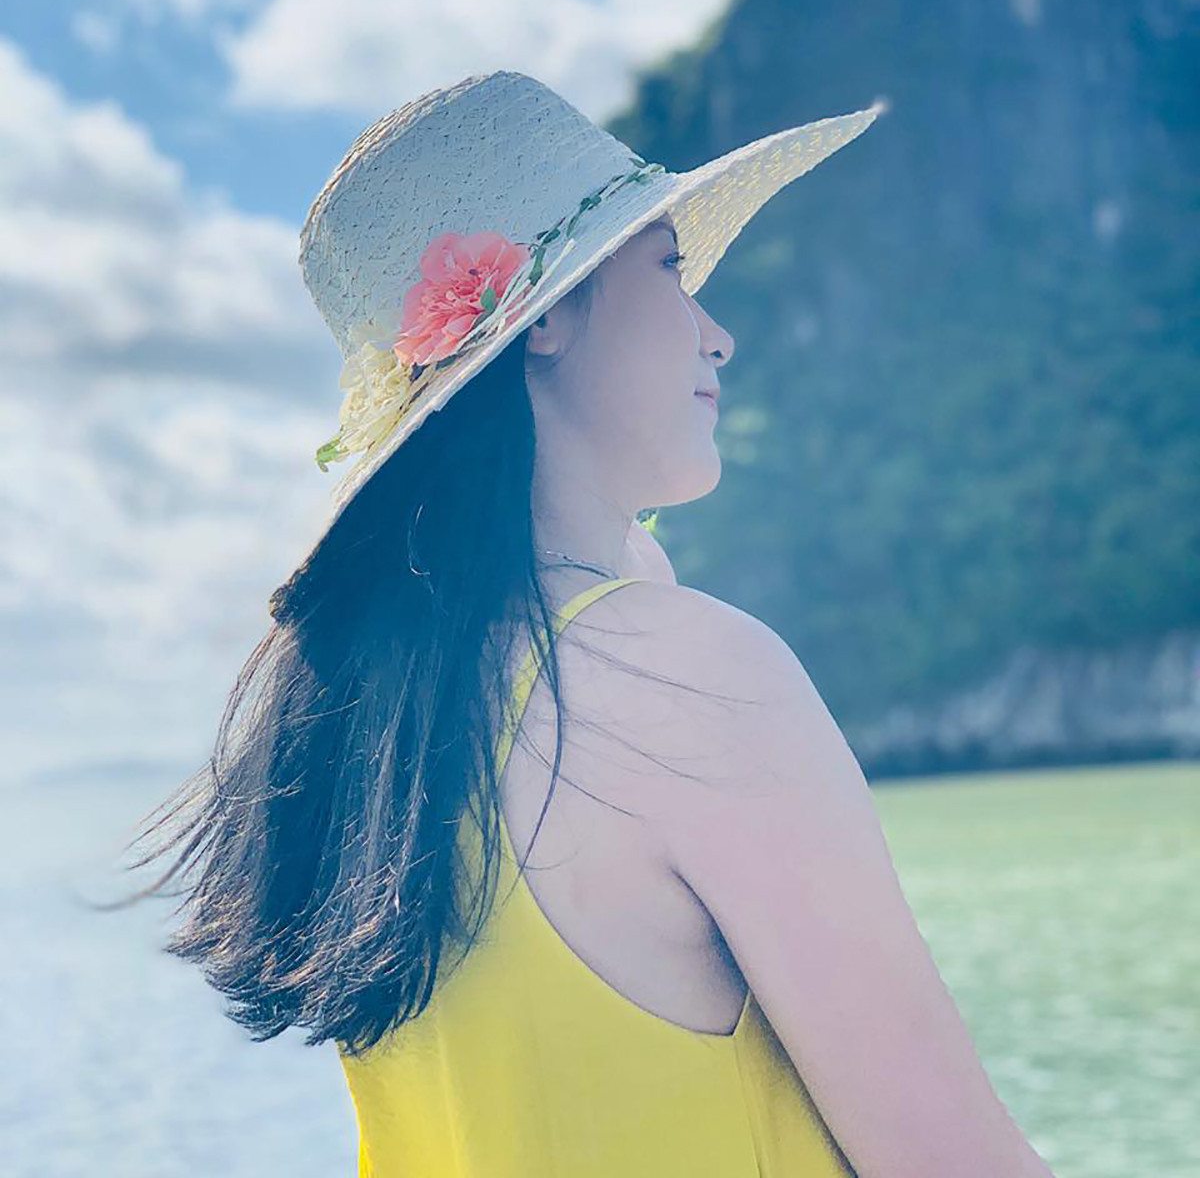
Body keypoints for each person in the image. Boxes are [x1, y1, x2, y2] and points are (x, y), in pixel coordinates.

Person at [117, 71, 1056, 1176]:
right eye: (669, 268)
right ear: (549, 316)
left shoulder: (371, 724)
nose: (716, 336)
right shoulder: (685, 682)